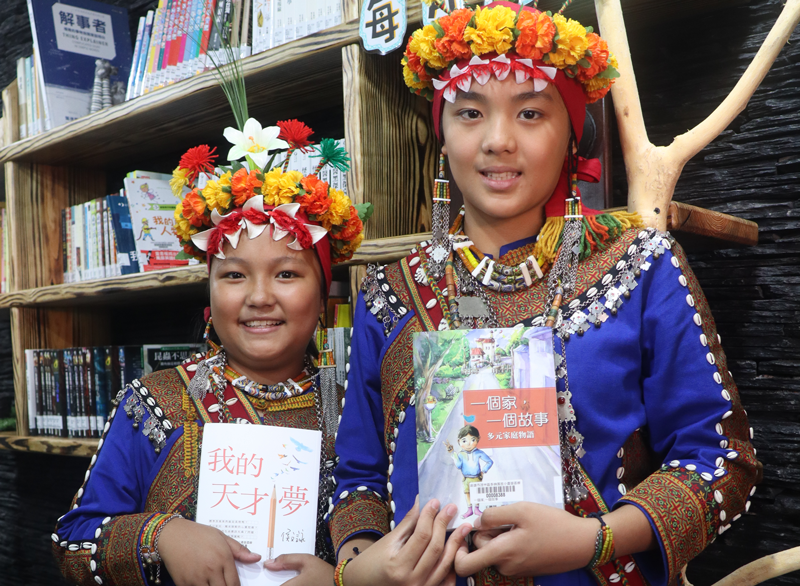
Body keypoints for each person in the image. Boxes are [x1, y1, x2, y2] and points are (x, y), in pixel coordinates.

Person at [329, 3, 759, 586]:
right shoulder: (389, 292)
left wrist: (594, 538)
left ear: (571, 135)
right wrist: (359, 566)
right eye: (470, 113)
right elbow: (357, 476)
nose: (498, 141)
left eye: (530, 112)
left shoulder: (637, 266)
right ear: (443, 132)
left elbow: (722, 464)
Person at [52, 118, 371, 586]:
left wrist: (343, 580)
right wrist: (161, 535)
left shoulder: (353, 414)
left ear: (322, 297)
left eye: (286, 274)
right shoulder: (151, 403)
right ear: (210, 291)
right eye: (235, 275)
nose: (259, 297)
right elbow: (73, 543)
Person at [445, 425, 494, 518]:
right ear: (458, 441)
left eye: (472, 440)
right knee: (467, 493)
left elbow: (489, 461)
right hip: (466, 478)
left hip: (476, 477)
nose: (468, 444)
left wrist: (483, 471)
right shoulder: (461, 454)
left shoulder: (478, 452)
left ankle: (477, 509)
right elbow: (459, 466)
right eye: (464, 441)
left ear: (478, 439)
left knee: (477, 493)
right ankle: (470, 510)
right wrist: (453, 453)